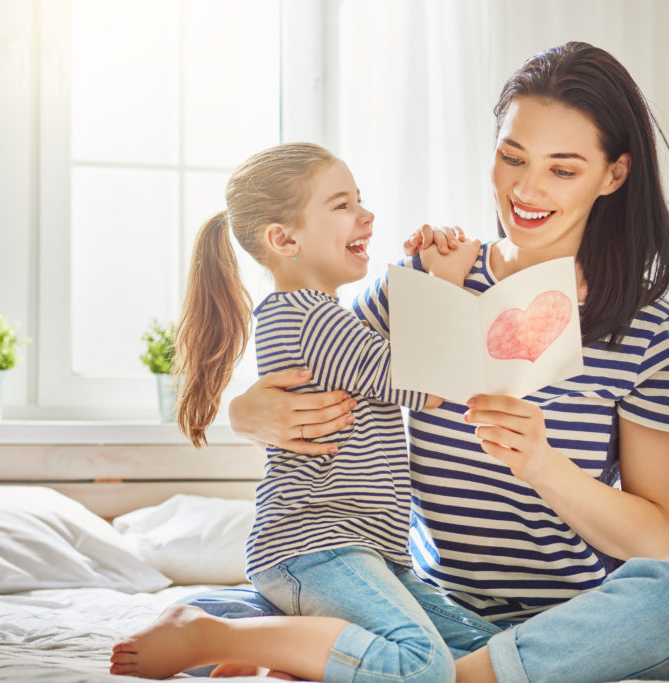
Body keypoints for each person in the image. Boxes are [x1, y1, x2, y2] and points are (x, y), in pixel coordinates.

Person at [190, 42, 669, 683]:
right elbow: (304, 349)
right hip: (421, 604)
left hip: (570, 622)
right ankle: (443, 667)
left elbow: (652, 539)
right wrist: (243, 414)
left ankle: (430, 673)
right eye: (512, 157)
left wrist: (543, 465)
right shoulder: (430, 280)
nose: (527, 190)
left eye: (563, 170)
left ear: (613, 174)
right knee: (214, 605)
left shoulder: (653, 330)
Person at [110, 141, 495, 681]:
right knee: (425, 667)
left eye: (360, 200)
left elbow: (392, 342)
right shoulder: (312, 319)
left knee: (488, 651)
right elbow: (427, 383)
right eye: (342, 205)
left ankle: (249, 629)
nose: (367, 215)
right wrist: (449, 280)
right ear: (284, 238)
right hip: (317, 545)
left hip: (359, 551)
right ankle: (221, 635)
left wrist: (425, 269)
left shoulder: (324, 318)